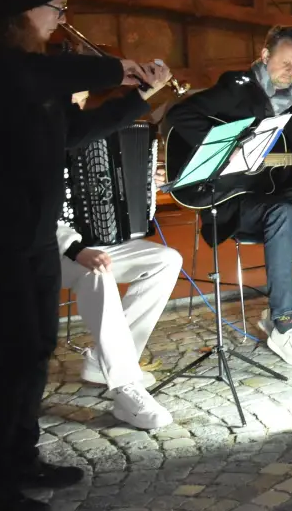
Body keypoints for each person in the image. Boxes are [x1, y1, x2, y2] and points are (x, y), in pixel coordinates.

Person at [0, 0, 167, 511]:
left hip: (32, 229)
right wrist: (115, 67)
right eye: (56, 10)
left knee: (36, 348)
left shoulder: (29, 58)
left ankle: (22, 457)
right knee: (15, 351)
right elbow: (28, 80)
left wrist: (136, 98)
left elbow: (73, 131)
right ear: (22, 8)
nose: (61, 21)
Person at [165, 26, 292, 370]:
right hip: (231, 197)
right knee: (283, 212)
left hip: (274, 194)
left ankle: (285, 311)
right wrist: (232, 146)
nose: (289, 72)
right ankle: (285, 328)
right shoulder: (236, 90)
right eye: (283, 63)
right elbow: (178, 116)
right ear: (264, 56)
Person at [59, 90, 179, 431]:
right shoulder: (37, 135)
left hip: (99, 243)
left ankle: (104, 360)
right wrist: (75, 248)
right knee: (96, 272)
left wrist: (149, 186)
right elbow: (29, 213)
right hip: (44, 249)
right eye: (75, 96)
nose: (80, 104)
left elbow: (118, 192)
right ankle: (126, 386)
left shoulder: (96, 132)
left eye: (83, 96)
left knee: (166, 259)